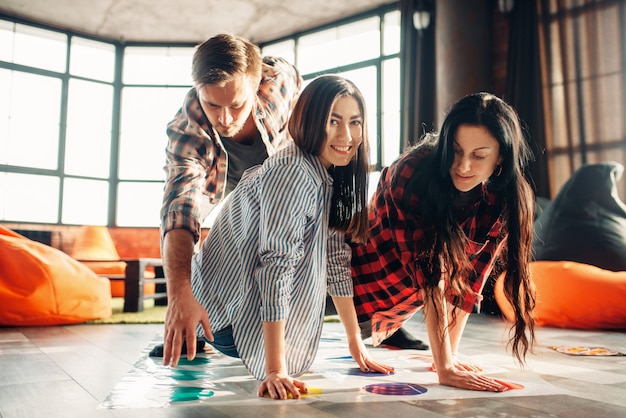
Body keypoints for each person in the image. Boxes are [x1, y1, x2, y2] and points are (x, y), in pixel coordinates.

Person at [181, 75, 394, 400]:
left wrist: (356, 343)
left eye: (355, 122)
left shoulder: (328, 173)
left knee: (322, 255)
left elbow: (335, 258)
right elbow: (276, 267)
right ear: (309, 121)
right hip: (224, 322)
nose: (346, 135)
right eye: (332, 121)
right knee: (292, 261)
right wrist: (275, 369)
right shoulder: (293, 171)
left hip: (229, 310)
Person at [350, 92, 537, 392]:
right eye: (455, 151)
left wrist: (446, 356)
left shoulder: (504, 199)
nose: (463, 166)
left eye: (478, 155)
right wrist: (445, 367)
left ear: (501, 156)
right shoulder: (411, 172)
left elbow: (469, 282)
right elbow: (431, 278)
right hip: (345, 290)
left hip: (390, 316)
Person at [158, 34, 301, 362]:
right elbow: (180, 210)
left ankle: (375, 324)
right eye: (212, 105)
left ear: (257, 84)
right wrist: (179, 293)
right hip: (213, 180)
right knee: (175, 230)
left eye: (237, 104)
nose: (224, 119)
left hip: (271, 170)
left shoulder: (279, 83)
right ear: (197, 91)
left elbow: (297, 81)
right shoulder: (186, 130)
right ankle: (183, 322)